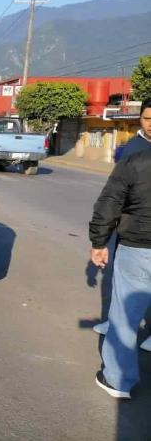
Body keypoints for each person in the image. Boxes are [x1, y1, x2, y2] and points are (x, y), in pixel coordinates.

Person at [89, 147, 151, 399]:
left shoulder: (135, 162)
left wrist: (99, 242)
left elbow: (110, 202)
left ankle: (118, 380)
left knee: (126, 315)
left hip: (139, 248)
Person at [92, 98, 151, 353]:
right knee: (125, 288)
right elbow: (113, 197)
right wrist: (100, 239)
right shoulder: (133, 150)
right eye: (149, 119)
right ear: (140, 118)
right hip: (135, 233)